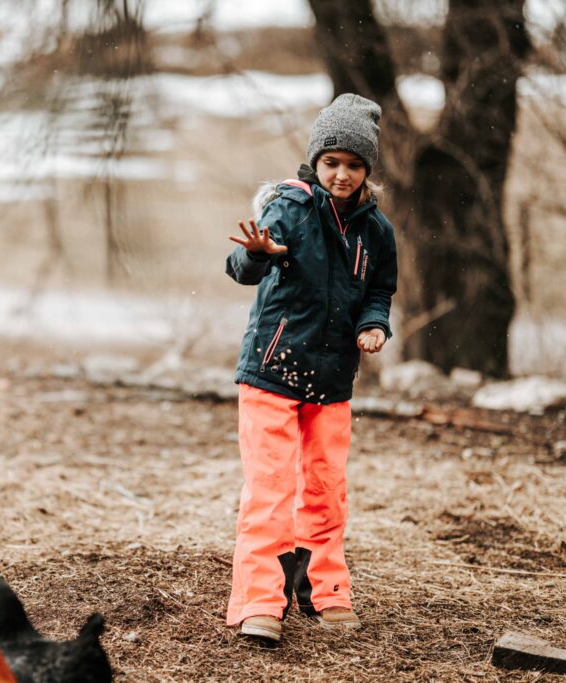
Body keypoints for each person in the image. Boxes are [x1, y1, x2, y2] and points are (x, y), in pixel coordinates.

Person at [223, 93, 398, 642]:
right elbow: (241, 267)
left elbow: (379, 290)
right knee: (270, 489)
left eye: (353, 164)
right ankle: (259, 602)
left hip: (332, 380)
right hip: (272, 370)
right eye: (331, 162)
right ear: (315, 161)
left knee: (326, 489)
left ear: (367, 169)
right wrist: (258, 253)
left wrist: (375, 324)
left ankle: (325, 592)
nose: (341, 174)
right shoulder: (288, 208)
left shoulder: (377, 231)